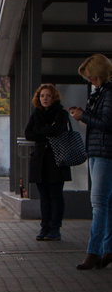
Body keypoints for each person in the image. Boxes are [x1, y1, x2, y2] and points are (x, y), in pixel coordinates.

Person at [68, 53, 112, 270]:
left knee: (99, 204)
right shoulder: (101, 92)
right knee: (107, 204)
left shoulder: (109, 93)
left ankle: (93, 251)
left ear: (100, 73)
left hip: (105, 153)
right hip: (99, 151)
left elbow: (106, 122)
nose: (90, 81)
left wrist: (83, 116)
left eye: (92, 77)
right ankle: (108, 249)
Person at [24, 83, 70, 241]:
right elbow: (28, 133)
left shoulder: (61, 114)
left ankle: (55, 228)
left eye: (48, 96)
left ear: (54, 97)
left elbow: (56, 131)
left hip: (56, 159)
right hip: (40, 160)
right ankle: (44, 226)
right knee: (44, 195)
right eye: (42, 96)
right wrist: (46, 132)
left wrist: (41, 132)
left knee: (55, 194)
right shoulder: (36, 114)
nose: (44, 99)